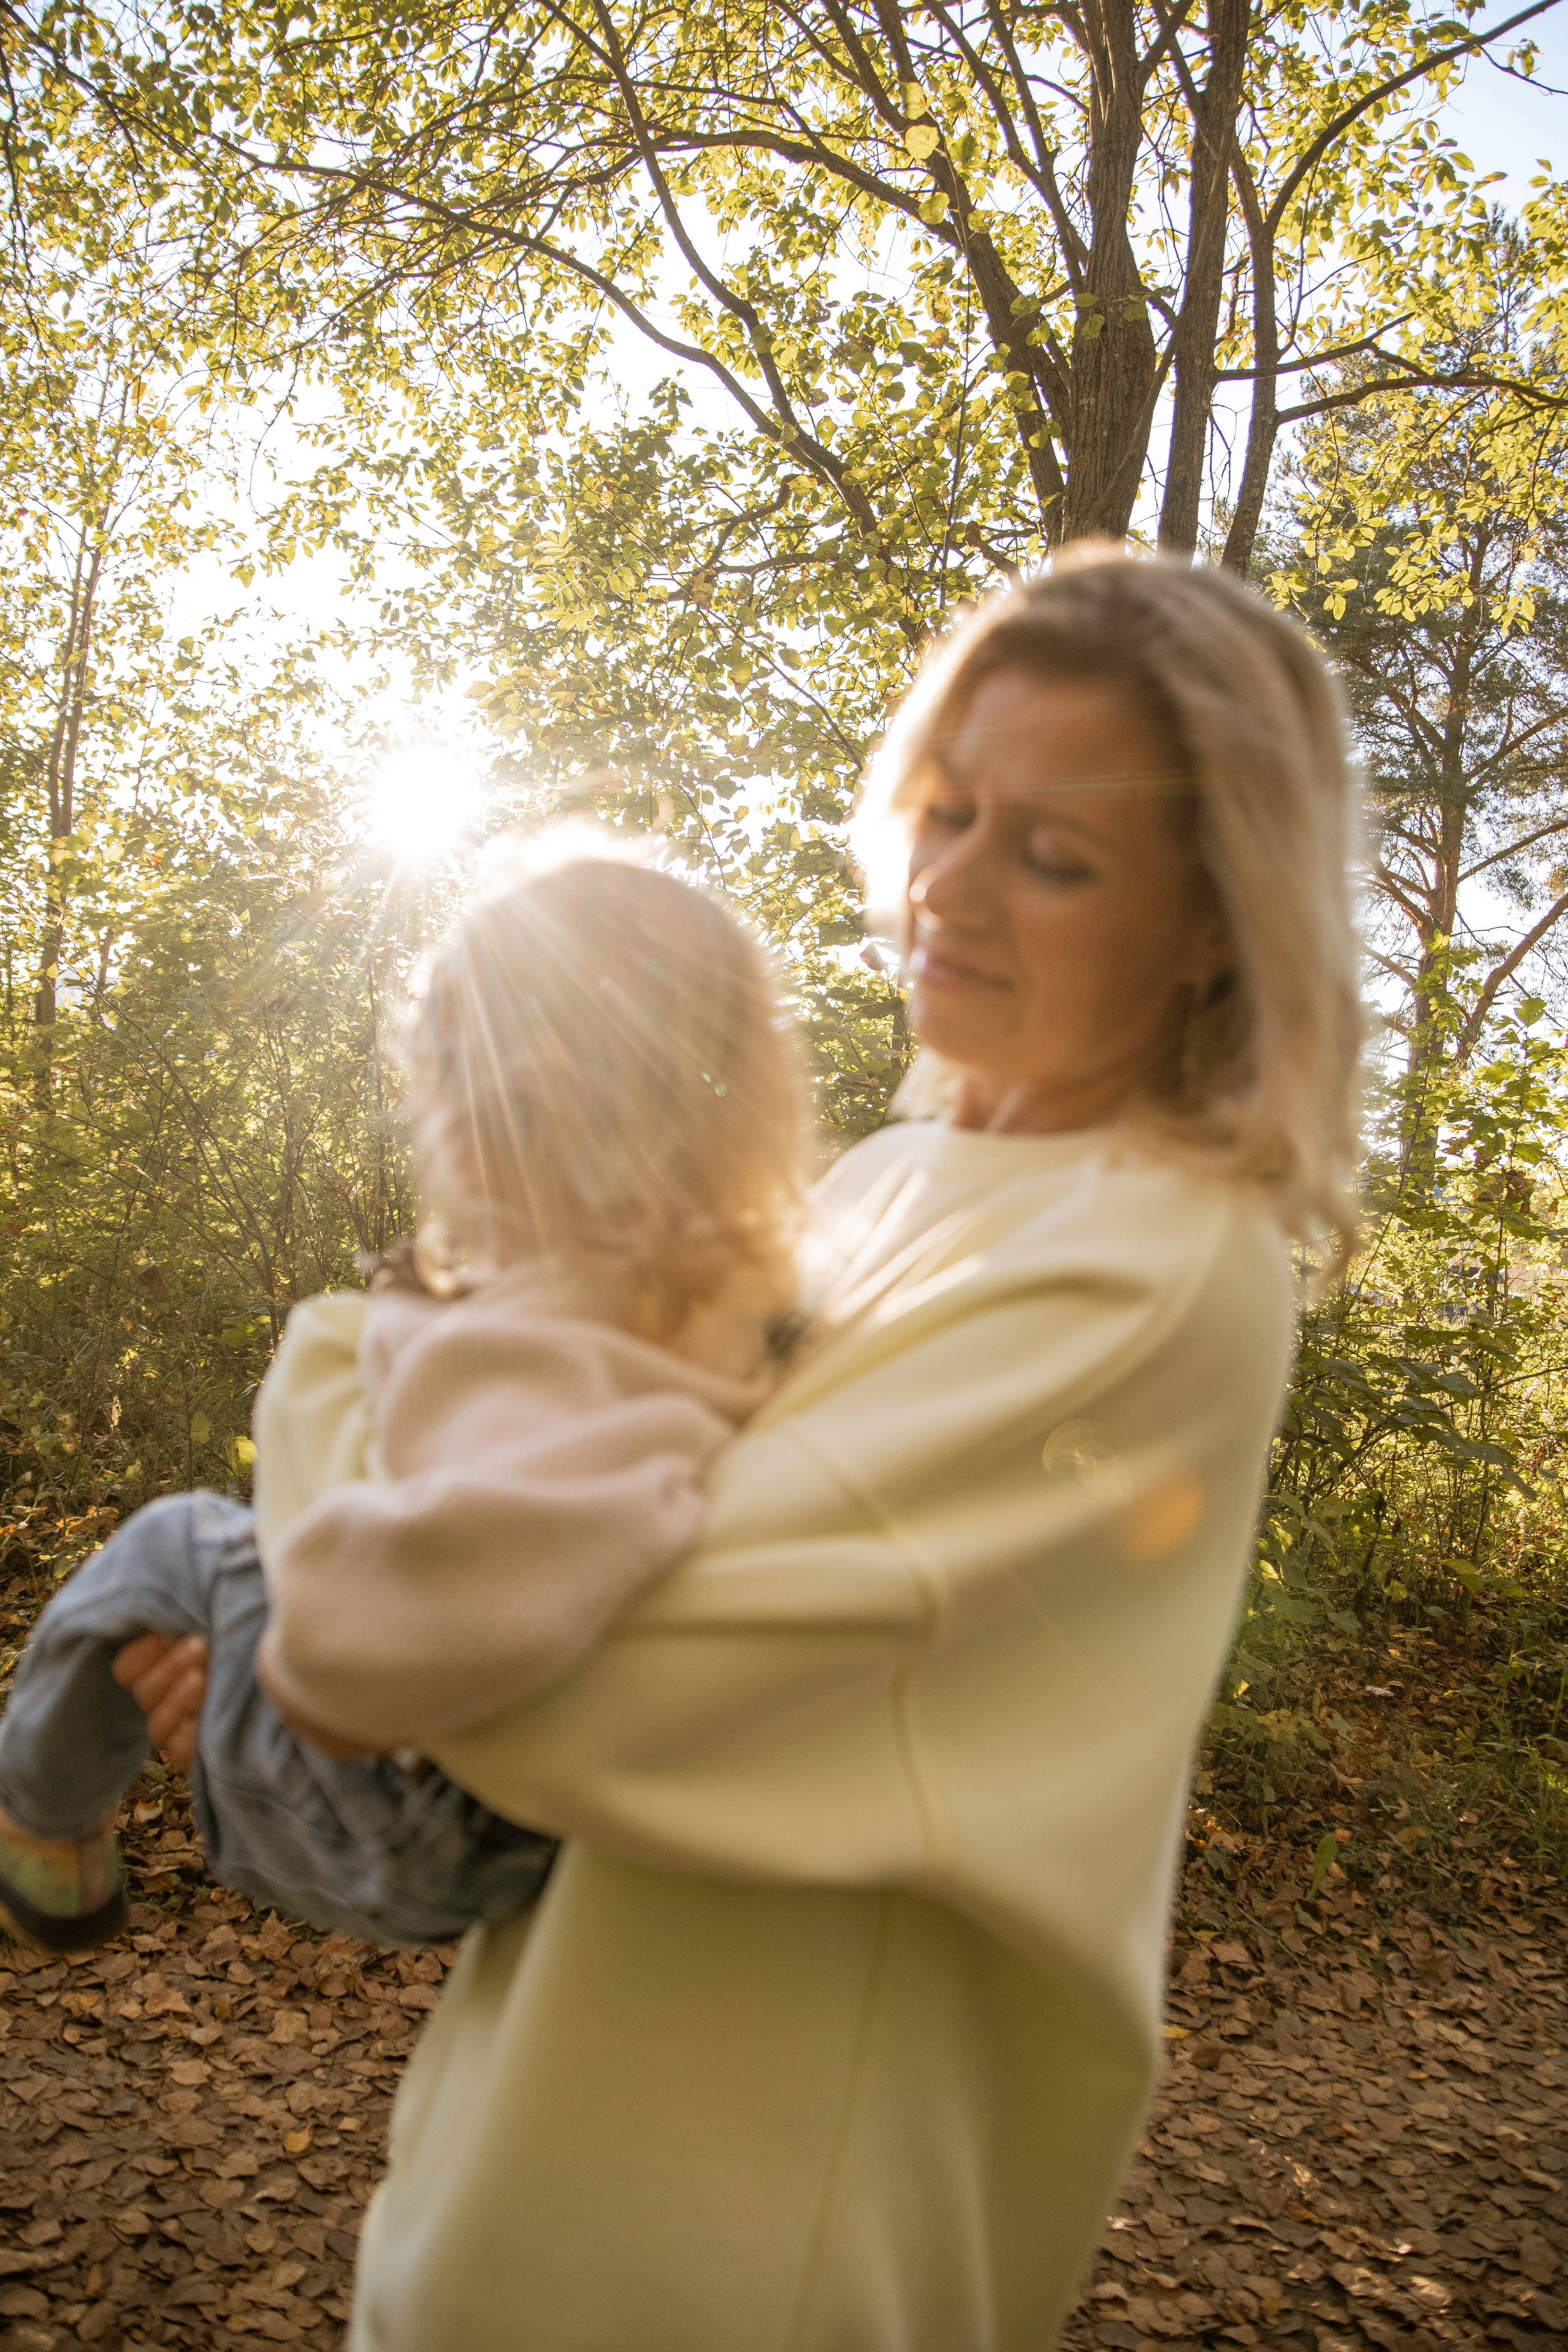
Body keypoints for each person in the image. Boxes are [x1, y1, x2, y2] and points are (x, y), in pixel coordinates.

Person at [252, 543, 1365, 2352]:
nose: (951, 890)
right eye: (945, 810)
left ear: (1216, 929)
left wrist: (309, 1432)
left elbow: (571, 1687)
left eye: (1056, 855)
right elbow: (512, 1538)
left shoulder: (1151, 1266)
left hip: (752, 2262)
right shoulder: (891, 1180)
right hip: (508, 2203)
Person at [0, 847, 804, 1952]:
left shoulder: (553, 1334)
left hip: (405, 1817)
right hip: (505, 1821)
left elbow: (441, 1589)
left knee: (180, 1542)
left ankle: (40, 1834)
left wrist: (281, 1655)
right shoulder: (728, 1303)